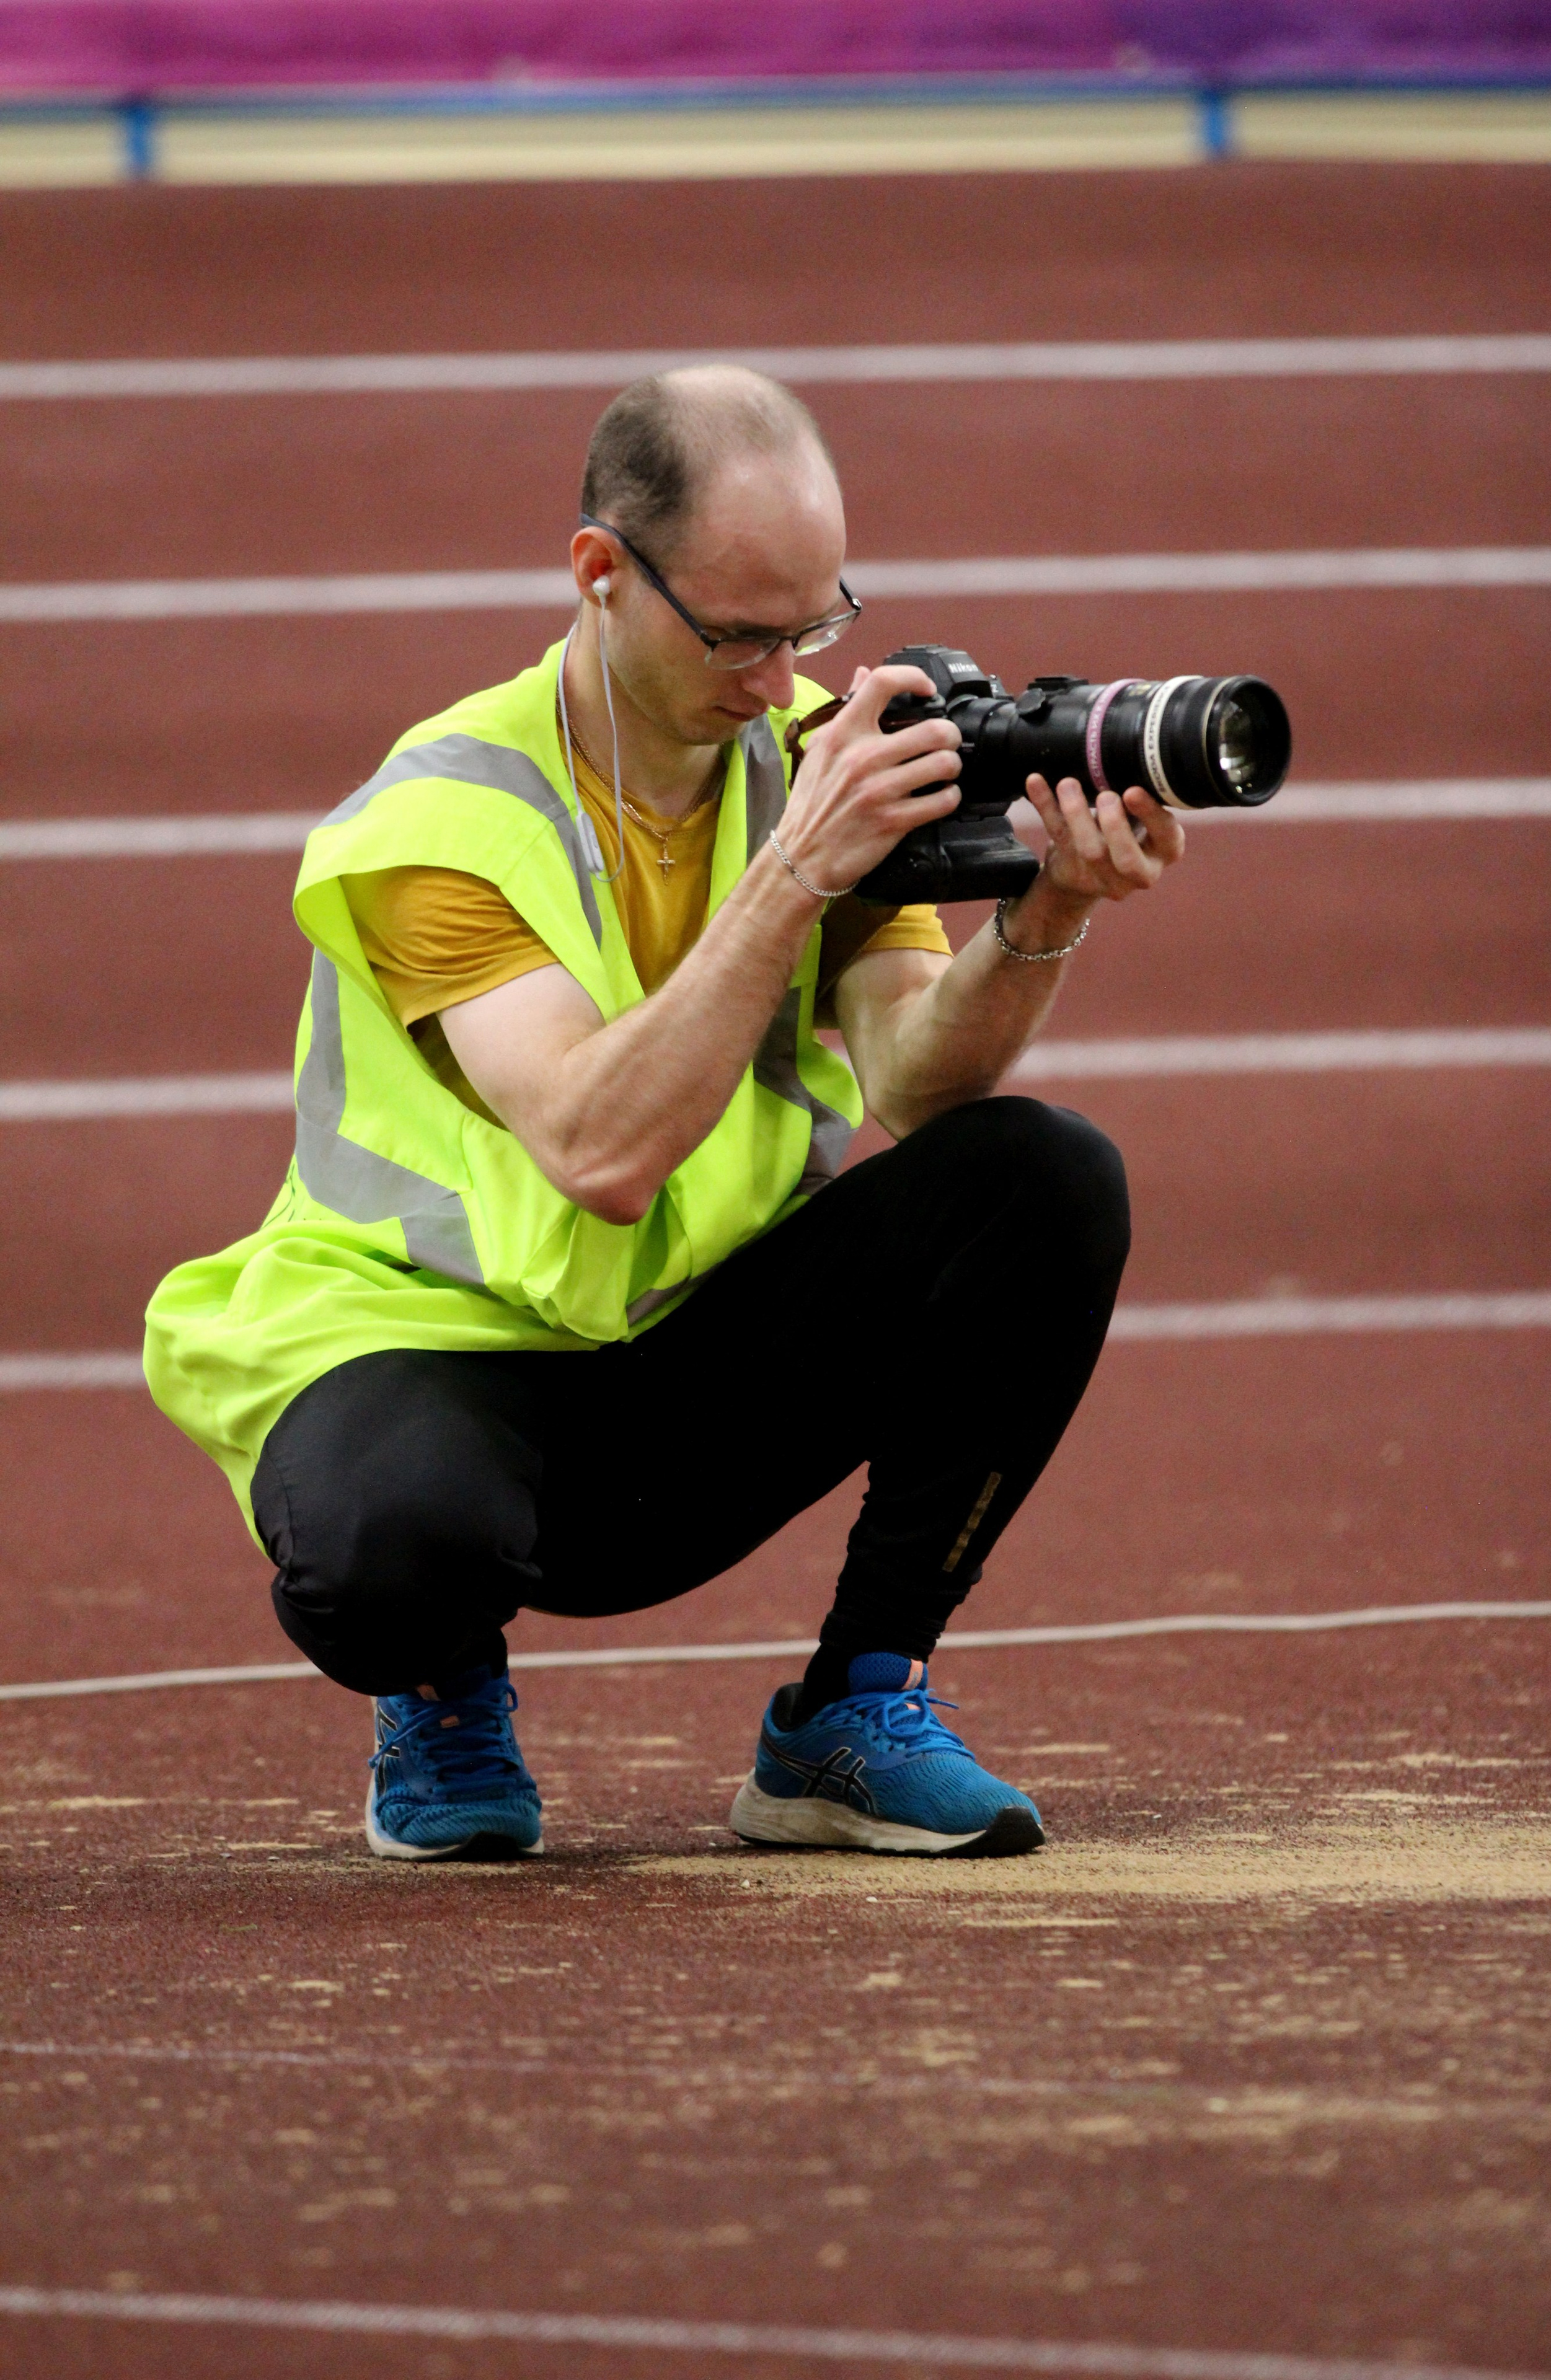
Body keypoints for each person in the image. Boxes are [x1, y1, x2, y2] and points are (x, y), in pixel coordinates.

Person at [145, 366, 1183, 1865]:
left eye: (813, 627)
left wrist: (1046, 918)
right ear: (599, 573)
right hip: (432, 1353)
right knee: (392, 1550)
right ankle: (438, 1689)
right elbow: (596, 1151)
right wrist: (799, 874)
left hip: (686, 1372)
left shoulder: (819, 759)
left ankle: (854, 1710)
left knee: (1043, 1177)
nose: (780, 684)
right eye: (740, 635)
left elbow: (915, 1085)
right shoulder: (441, 818)